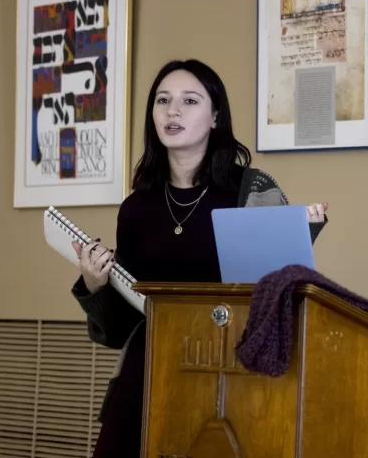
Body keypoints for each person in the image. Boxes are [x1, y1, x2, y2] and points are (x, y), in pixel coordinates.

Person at [69, 59, 328, 457]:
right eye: (163, 100)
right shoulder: (136, 207)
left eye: (189, 101)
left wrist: (300, 233)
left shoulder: (251, 190)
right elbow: (121, 329)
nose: (173, 111)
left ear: (215, 117)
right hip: (149, 371)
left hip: (231, 373)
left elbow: (277, 297)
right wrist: (95, 284)